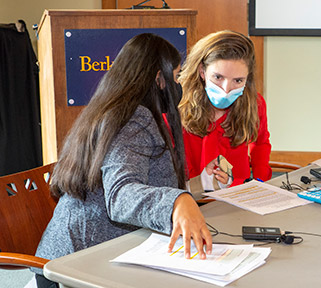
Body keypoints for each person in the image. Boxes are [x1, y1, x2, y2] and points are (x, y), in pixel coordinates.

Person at [33, 33, 212, 288]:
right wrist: (176, 201)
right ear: (158, 78)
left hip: (82, 253)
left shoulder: (114, 108)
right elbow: (121, 196)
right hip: (73, 269)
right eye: (176, 75)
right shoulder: (132, 118)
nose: (178, 84)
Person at [178, 30, 272, 187]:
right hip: (189, 196)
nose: (226, 89)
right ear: (202, 71)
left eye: (238, 80)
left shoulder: (255, 104)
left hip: (236, 192)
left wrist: (259, 182)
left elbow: (260, 144)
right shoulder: (179, 103)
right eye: (218, 77)